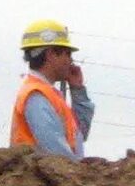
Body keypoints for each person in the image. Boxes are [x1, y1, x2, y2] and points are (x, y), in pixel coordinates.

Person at [8, 20, 94, 160]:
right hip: (37, 180)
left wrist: (78, 91)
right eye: (67, 54)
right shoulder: (36, 95)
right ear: (50, 54)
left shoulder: (48, 94)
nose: (70, 61)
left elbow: (78, 135)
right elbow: (57, 154)